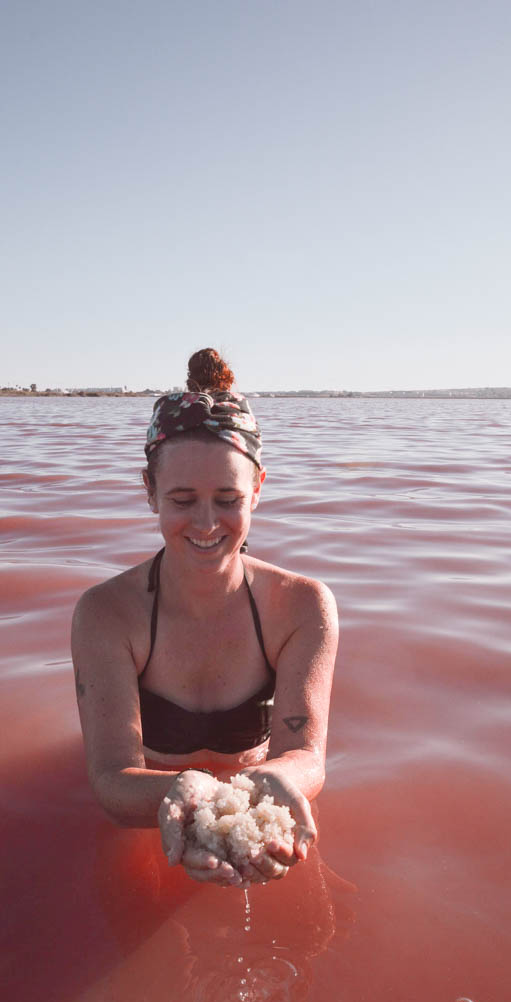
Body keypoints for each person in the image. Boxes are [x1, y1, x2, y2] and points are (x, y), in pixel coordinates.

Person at [72, 349, 338, 889]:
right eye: (182, 498)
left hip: (257, 796)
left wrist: (275, 779)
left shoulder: (303, 606)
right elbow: (110, 779)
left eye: (227, 498)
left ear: (258, 489)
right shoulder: (106, 614)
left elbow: (305, 754)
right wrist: (178, 792)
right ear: (149, 491)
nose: (206, 522)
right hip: (157, 809)